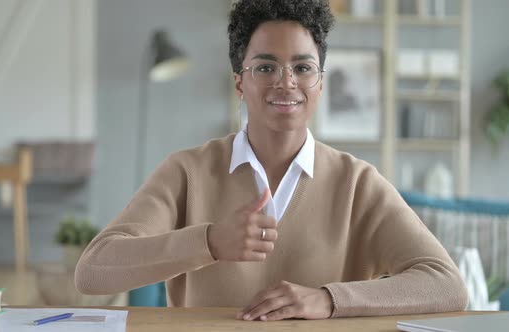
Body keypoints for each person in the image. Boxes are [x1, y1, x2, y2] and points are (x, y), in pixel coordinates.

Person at [75, 0, 468, 321]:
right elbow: (93, 271)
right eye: (266, 67)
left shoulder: (357, 183)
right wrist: (210, 241)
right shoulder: (188, 172)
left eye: (302, 67)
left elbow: (447, 285)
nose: (286, 81)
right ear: (239, 82)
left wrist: (328, 300)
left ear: (320, 82)